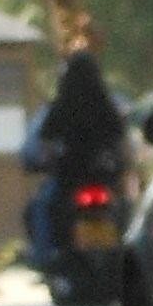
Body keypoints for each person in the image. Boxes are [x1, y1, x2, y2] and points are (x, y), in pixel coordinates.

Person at [19, 44, 131, 277]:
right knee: (126, 208)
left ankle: (44, 256)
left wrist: (50, 162)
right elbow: (122, 143)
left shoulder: (61, 106)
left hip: (69, 177)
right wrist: (121, 166)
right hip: (103, 176)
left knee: (40, 208)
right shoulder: (107, 106)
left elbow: (46, 142)